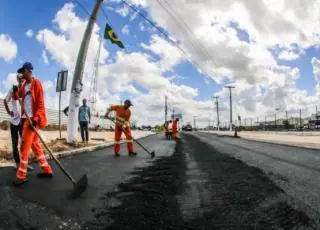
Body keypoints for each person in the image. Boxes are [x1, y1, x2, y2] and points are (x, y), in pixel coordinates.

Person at [12, 62, 53, 186]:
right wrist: (16, 89)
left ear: (29, 70)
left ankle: (21, 175)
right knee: (34, 144)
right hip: (25, 118)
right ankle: (47, 170)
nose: (22, 74)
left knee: (24, 146)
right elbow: (17, 97)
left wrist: (35, 119)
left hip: (32, 119)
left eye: (23, 71)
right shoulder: (23, 85)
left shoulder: (36, 83)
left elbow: (40, 104)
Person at [4, 74, 33, 171]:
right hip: (13, 122)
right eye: (19, 78)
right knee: (15, 143)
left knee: (24, 143)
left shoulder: (25, 90)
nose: (21, 80)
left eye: (22, 78)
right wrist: (9, 112)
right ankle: (17, 163)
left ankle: (24, 164)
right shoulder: (13, 90)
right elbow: (5, 101)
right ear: (17, 79)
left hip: (22, 121)